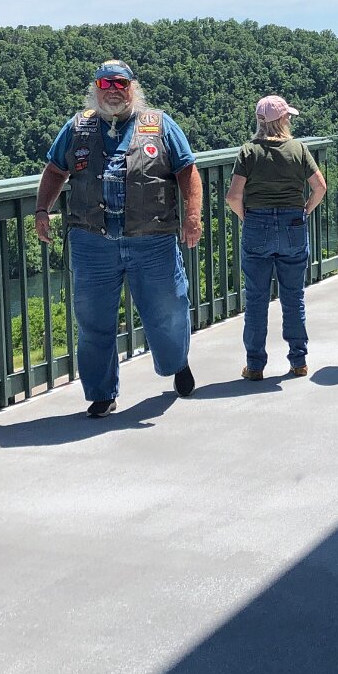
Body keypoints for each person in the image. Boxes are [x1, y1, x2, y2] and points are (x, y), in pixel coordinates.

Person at [34, 60, 202, 417]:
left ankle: (177, 363)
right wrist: (41, 210)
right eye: (105, 84)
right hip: (92, 240)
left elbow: (187, 171)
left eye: (120, 84)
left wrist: (192, 217)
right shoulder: (77, 127)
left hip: (152, 238)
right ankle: (102, 393)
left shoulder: (159, 124)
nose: (113, 90)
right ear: (95, 89)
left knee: (169, 309)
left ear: (132, 88)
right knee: (93, 320)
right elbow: (55, 170)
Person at [224, 96, 327, 380]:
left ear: (260, 122)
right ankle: (299, 361)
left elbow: (233, 196)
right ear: (281, 120)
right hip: (293, 224)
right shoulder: (298, 149)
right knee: (293, 297)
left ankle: (255, 365)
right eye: (287, 116)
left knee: (256, 299)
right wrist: (305, 210)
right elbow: (319, 187)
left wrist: (246, 217)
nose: (289, 119)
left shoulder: (249, 151)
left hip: (257, 224)